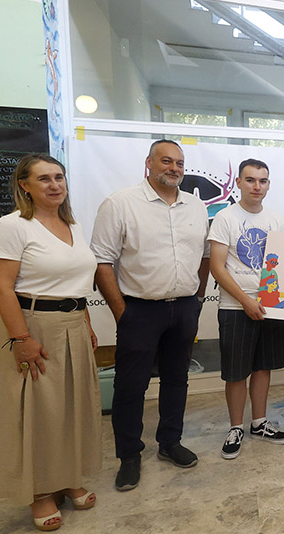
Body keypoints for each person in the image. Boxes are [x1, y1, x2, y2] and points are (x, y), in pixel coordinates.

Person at [0, 154, 101, 531]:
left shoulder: (72, 225)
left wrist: (85, 322)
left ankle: (67, 477)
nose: (55, 185)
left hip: (72, 324)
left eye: (59, 177)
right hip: (33, 326)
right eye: (44, 179)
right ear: (24, 186)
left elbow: (75, 283)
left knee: (69, 408)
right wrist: (21, 338)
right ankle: (39, 491)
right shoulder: (12, 226)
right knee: (39, 413)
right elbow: (0, 287)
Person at [91, 139, 210, 491]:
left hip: (184, 307)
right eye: (166, 161)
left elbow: (205, 256)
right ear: (148, 163)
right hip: (139, 310)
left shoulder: (196, 206)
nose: (174, 168)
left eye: (179, 163)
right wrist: (122, 313)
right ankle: (129, 455)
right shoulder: (120, 203)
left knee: (177, 379)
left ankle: (170, 442)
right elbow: (102, 262)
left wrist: (197, 298)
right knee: (131, 386)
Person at [208, 159, 284, 460]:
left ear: (268, 184)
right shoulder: (225, 218)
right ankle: (235, 428)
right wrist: (245, 301)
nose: (257, 186)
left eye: (263, 181)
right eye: (251, 180)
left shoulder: (276, 220)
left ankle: (259, 422)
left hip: (269, 306)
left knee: (262, 367)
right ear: (239, 183)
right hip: (236, 306)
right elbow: (217, 267)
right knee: (236, 372)